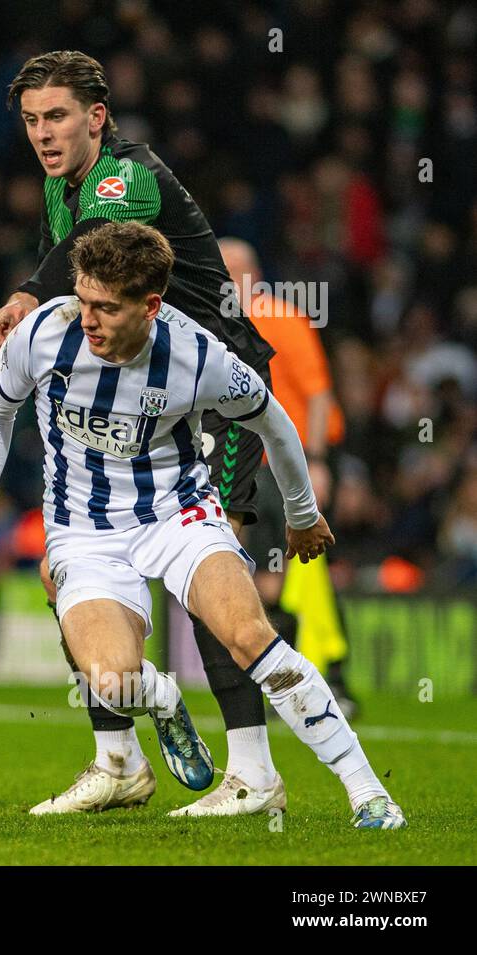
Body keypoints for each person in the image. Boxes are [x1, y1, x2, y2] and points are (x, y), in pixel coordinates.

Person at [0, 222, 404, 829]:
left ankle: (369, 792)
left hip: (178, 516)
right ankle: (160, 696)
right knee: (110, 683)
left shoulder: (197, 357)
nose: (88, 320)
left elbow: (277, 423)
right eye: (84, 301)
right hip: (84, 532)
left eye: (106, 308)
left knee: (252, 638)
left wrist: (301, 514)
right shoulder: (45, 332)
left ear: (150, 306)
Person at [0, 51, 285, 816]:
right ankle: (115, 758)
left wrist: (24, 293)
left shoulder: (131, 173)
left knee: (213, 583)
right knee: (73, 561)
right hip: (130, 394)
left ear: (96, 116)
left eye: (56, 117)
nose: (43, 134)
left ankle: (251, 772)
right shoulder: (60, 186)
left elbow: (90, 241)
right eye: (30, 120)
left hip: (213, 390)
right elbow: (78, 274)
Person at [218, 238, 356, 714]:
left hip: (290, 463)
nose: (226, 279)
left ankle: (332, 676)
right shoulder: (217, 323)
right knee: (263, 574)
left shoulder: (279, 318)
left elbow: (317, 393)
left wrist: (316, 460)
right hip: (246, 463)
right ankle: (287, 678)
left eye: (234, 270)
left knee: (302, 568)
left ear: (254, 275)